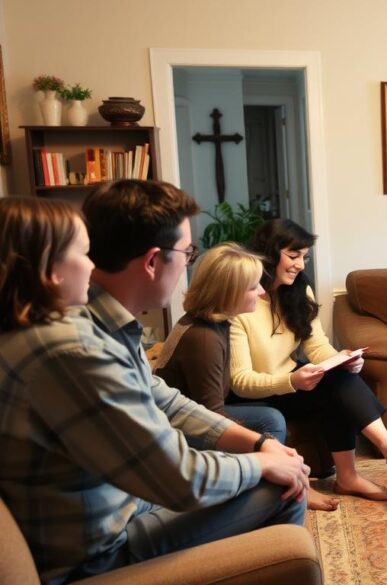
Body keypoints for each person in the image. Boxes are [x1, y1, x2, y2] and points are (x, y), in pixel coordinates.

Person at [0, 189, 307, 584]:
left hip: (117, 503)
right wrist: (263, 464)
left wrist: (258, 444)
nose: (91, 265)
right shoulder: (71, 349)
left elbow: (166, 401)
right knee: (281, 488)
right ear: (151, 262)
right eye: (187, 253)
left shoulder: (83, 325)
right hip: (95, 552)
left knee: (271, 459)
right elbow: (182, 479)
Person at [231, 219, 387, 502]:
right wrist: (291, 380)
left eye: (304, 258)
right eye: (293, 256)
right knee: (333, 386)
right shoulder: (241, 301)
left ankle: (350, 476)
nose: (300, 265)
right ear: (270, 253)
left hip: (290, 381)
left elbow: (317, 345)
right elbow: (240, 381)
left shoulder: (299, 291)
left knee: (340, 377)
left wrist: (340, 360)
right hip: (257, 394)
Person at [153, 243, 338, 511]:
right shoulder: (204, 339)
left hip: (197, 410)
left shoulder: (215, 321)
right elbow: (211, 415)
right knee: (270, 419)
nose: (263, 291)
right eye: (253, 287)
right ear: (229, 292)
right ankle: (276, 490)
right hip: (178, 429)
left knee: (272, 413)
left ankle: (280, 483)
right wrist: (264, 444)